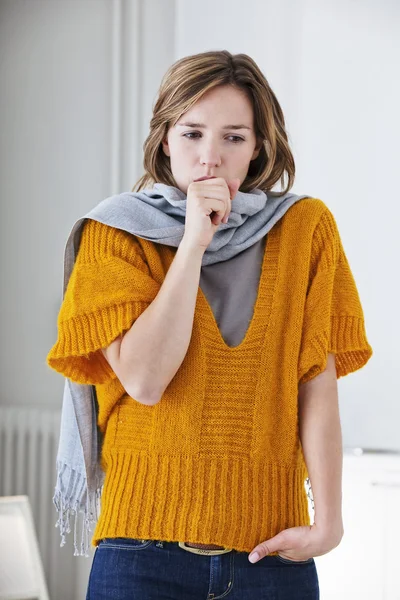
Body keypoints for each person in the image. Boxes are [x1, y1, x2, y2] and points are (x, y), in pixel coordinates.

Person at [47, 50, 373, 599]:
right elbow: (145, 381)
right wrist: (194, 241)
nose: (210, 158)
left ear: (259, 147)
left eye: (234, 137)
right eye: (193, 133)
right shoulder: (115, 234)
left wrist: (329, 523)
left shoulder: (305, 230)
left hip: (270, 555)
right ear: (165, 138)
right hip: (141, 552)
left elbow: (316, 383)